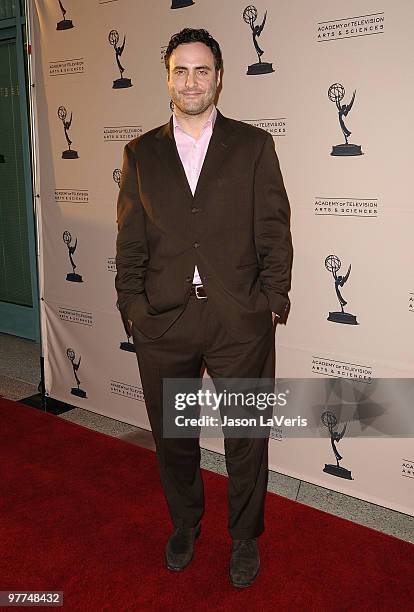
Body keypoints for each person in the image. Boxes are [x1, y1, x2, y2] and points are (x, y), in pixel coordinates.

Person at [115, 27, 292, 588]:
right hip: (164, 320)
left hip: (238, 317)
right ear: (168, 78)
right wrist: (133, 309)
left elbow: (274, 232)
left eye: (202, 70)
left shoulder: (253, 146)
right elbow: (130, 241)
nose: (191, 80)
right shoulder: (141, 152)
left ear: (218, 77)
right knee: (174, 436)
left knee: (245, 435)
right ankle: (186, 523)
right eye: (180, 70)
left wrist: (270, 303)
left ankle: (244, 537)